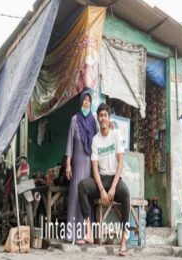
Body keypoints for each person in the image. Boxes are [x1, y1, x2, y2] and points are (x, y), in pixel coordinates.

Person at [78, 103, 130, 256]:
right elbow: (94, 168)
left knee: (126, 194)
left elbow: (120, 162)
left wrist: (113, 188)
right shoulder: (96, 140)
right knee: (82, 186)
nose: (102, 118)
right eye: (100, 115)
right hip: (101, 180)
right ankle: (88, 233)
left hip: (114, 180)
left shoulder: (116, 135)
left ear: (109, 118)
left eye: (105, 115)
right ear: (98, 118)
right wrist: (101, 189)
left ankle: (123, 241)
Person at [65, 90, 98, 244]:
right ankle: (72, 234)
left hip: (90, 166)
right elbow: (70, 143)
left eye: (88, 100)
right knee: (75, 197)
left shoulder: (94, 122)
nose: (86, 102)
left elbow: (99, 141)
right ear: (81, 102)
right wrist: (67, 164)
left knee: (87, 198)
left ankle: (86, 234)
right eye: (84, 100)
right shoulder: (73, 120)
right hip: (76, 163)